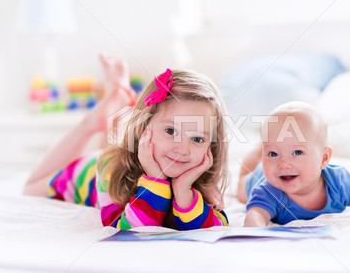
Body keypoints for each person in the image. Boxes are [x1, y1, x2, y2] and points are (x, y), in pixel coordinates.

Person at [24, 54, 229, 230]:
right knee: (30, 188)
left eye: (197, 138)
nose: (183, 149)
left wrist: (184, 192)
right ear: (144, 126)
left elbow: (216, 228)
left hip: (121, 155)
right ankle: (92, 122)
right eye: (170, 131)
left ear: (211, 146)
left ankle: (117, 102)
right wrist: (155, 177)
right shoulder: (110, 168)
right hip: (89, 174)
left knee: (114, 146)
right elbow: (127, 230)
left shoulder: (200, 176)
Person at [237, 101, 350, 227]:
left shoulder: (338, 183)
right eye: (272, 154)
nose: (283, 164)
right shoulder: (268, 191)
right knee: (243, 181)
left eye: (297, 152)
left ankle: (262, 148)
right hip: (257, 178)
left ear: (323, 159)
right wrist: (256, 227)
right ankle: (258, 150)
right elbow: (255, 213)